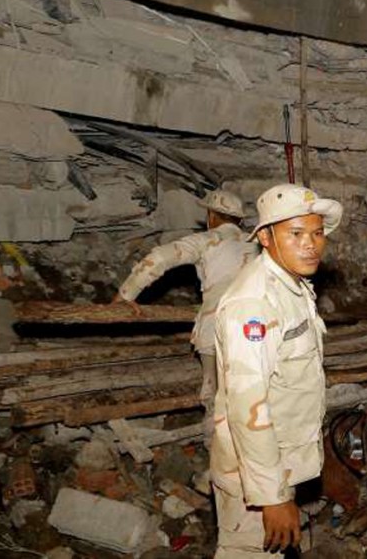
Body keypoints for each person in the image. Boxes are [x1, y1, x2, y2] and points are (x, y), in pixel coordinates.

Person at [210, 184, 342, 558]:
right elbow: (246, 404)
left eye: (317, 233)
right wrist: (272, 497)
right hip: (252, 478)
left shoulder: (292, 287)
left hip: (277, 463)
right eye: (296, 234)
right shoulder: (254, 303)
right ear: (265, 237)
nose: (311, 244)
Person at [117, 189, 258, 436]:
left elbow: (159, 257)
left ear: (212, 215)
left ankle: (217, 455)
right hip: (255, 325)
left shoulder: (207, 240)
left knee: (214, 393)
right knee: (252, 391)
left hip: (217, 321)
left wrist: (125, 295)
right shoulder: (256, 244)